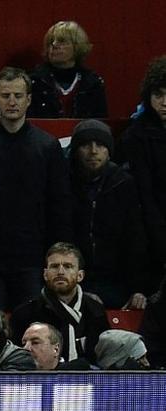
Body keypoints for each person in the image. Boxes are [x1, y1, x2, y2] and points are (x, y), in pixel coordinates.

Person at [0, 67, 72, 311]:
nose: (12, 101)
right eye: (5, 96)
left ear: (29, 100)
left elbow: (59, 204)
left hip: (33, 258)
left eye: (17, 95)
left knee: (34, 325)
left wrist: (56, 253)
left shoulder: (47, 147)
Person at [68, 119, 150, 309]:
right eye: (86, 145)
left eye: (100, 145)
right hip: (74, 282)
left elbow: (136, 240)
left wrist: (139, 289)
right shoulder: (63, 181)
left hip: (117, 283)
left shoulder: (124, 184)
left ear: (110, 150)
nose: (93, 151)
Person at [10, 242, 109, 364]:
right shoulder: (24, 314)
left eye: (68, 266)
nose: (60, 272)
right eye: (54, 266)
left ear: (80, 275)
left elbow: (104, 357)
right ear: (45, 274)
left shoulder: (95, 310)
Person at [120, 56, 166, 290]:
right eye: (159, 95)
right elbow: (144, 193)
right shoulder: (137, 135)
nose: (165, 102)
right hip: (151, 227)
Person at [28, 21, 108, 118]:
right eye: (51, 41)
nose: (54, 45)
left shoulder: (93, 83)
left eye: (61, 41)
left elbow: (100, 121)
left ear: (77, 46)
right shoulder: (34, 81)